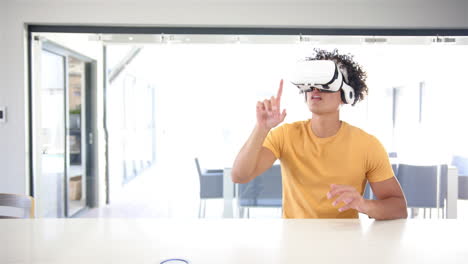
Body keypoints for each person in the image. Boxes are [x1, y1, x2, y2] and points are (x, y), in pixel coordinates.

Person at [231, 49, 407, 220]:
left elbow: (398, 207)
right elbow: (239, 176)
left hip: (346, 242)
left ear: (346, 94)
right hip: (295, 241)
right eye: (311, 84)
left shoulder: (367, 145)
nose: (315, 90)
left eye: (326, 84)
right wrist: (261, 129)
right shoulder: (284, 135)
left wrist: (364, 205)